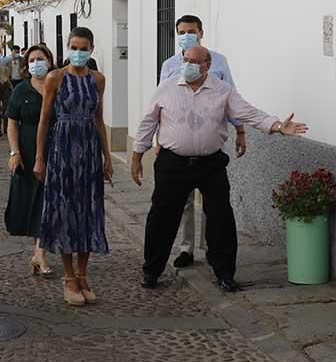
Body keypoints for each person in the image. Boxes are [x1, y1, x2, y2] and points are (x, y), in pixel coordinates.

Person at [132, 45, 308, 292]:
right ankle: (151, 270)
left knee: (220, 217)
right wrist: (137, 155)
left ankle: (225, 272)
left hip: (210, 163)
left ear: (207, 65)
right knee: (162, 218)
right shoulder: (167, 88)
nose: (189, 64)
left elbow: (249, 113)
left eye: (195, 61)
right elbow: (148, 122)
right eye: (186, 60)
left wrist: (278, 126)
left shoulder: (222, 91)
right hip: (173, 163)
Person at [159, 14, 246, 269]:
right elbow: (160, 103)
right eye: (182, 31)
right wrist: (158, 138)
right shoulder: (170, 65)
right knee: (183, 202)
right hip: (178, 145)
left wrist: (240, 131)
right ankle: (186, 249)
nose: (187, 35)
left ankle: (211, 247)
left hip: (210, 145)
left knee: (214, 203)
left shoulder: (218, 62)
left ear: (201, 33)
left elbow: (233, 99)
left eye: (192, 31)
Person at [35, 27, 113, 306]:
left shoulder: (98, 80)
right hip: (63, 150)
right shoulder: (55, 77)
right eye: (74, 47)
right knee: (66, 210)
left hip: (90, 151)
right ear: (67, 48)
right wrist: (39, 158)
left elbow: (99, 119)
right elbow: (45, 120)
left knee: (89, 210)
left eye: (84, 48)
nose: (78, 52)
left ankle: (82, 274)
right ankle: (68, 276)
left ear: (91, 50)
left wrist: (107, 157)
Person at [5, 44, 56, 277]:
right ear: (27, 64)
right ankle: (40, 252)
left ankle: (40, 252)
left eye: (41, 58)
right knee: (34, 202)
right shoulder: (20, 91)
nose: (37, 63)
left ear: (49, 61)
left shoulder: (58, 86)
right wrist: (14, 153)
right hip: (27, 154)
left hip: (55, 151)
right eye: (33, 59)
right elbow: (12, 123)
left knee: (49, 202)